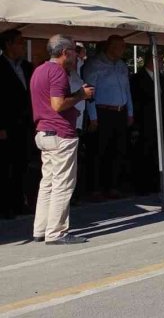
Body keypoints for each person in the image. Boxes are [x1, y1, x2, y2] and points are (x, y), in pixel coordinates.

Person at [30, 35, 95, 244]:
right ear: (65, 52)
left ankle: (41, 229)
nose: (77, 55)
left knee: (48, 183)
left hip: (44, 132)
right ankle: (56, 232)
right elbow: (57, 104)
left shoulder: (39, 70)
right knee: (63, 184)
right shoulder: (58, 72)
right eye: (74, 51)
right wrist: (81, 95)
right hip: (60, 133)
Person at [82, 35, 134, 199]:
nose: (123, 49)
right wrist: (93, 117)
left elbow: (127, 90)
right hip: (102, 112)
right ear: (111, 47)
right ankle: (95, 188)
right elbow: (89, 92)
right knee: (98, 150)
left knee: (117, 150)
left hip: (120, 111)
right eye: (121, 46)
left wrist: (130, 112)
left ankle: (112, 186)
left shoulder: (122, 65)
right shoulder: (94, 64)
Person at [0, 29, 34, 218]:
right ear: (8, 44)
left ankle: (19, 202)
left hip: (25, 123)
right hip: (7, 124)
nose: (22, 46)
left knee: (22, 163)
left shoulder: (27, 67)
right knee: (6, 166)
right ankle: (5, 205)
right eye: (20, 42)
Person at [130, 50, 164, 195]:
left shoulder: (161, 77)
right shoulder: (138, 78)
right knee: (144, 152)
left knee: (156, 153)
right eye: (160, 59)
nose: (162, 63)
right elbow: (136, 101)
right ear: (152, 60)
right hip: (144, 121)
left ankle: (155, 183)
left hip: (159, 122)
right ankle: (143, 185)